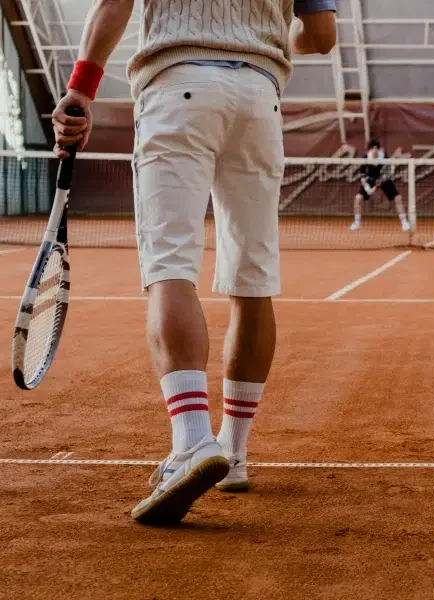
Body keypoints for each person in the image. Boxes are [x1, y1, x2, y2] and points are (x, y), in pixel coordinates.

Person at [52, 0, 337, 525]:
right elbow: (320, 35)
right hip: (260, 99)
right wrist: (271, 34)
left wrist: (81, 89)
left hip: (177, 86)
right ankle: (233, 452)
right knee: (253, 282)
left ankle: (190, 443)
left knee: (170, 269)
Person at [350, 139, 411, 232]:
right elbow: (362, 177)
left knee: (398, 198)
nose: (374, 150)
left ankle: (404, 223)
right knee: (358, 198)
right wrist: (367, 188)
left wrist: (381, 181)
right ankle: (356, 223)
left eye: (376, 148)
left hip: (384, 179)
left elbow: (387, 171)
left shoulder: (384, 157)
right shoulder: (365, 158)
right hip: (370, 180)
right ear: (369, 150)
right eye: (372, 148)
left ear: (378, 149)